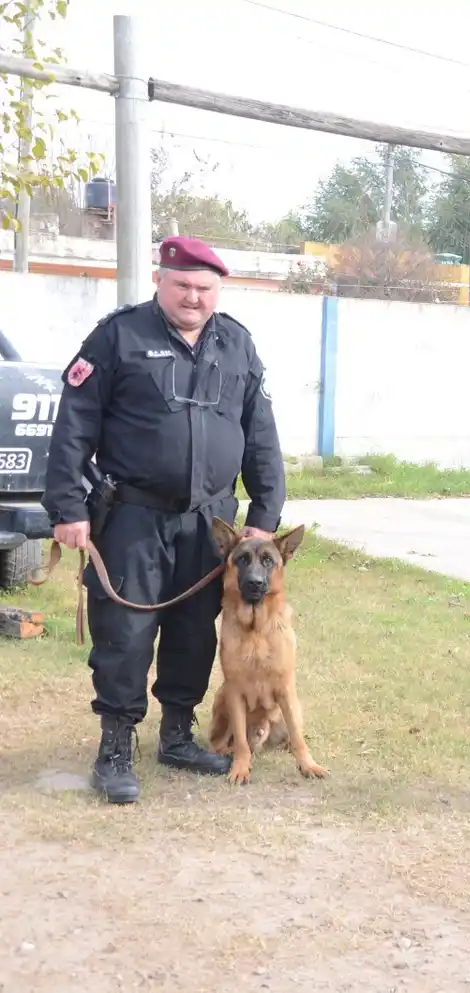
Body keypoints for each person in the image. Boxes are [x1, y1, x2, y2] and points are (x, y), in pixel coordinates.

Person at [42, 235, 287, 805]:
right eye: (182, 286)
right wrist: (67, 508)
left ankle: (177, 734)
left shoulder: (238, 345)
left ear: (217, 290)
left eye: (205, 289)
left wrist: (264, 513)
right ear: (160, 281)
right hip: (132, 516)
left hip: (210, 522)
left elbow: (262, 435)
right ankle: (116, 746)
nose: (194, 298)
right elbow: (74, 423)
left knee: (192, 631)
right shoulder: (118, 336)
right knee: (124, 634)